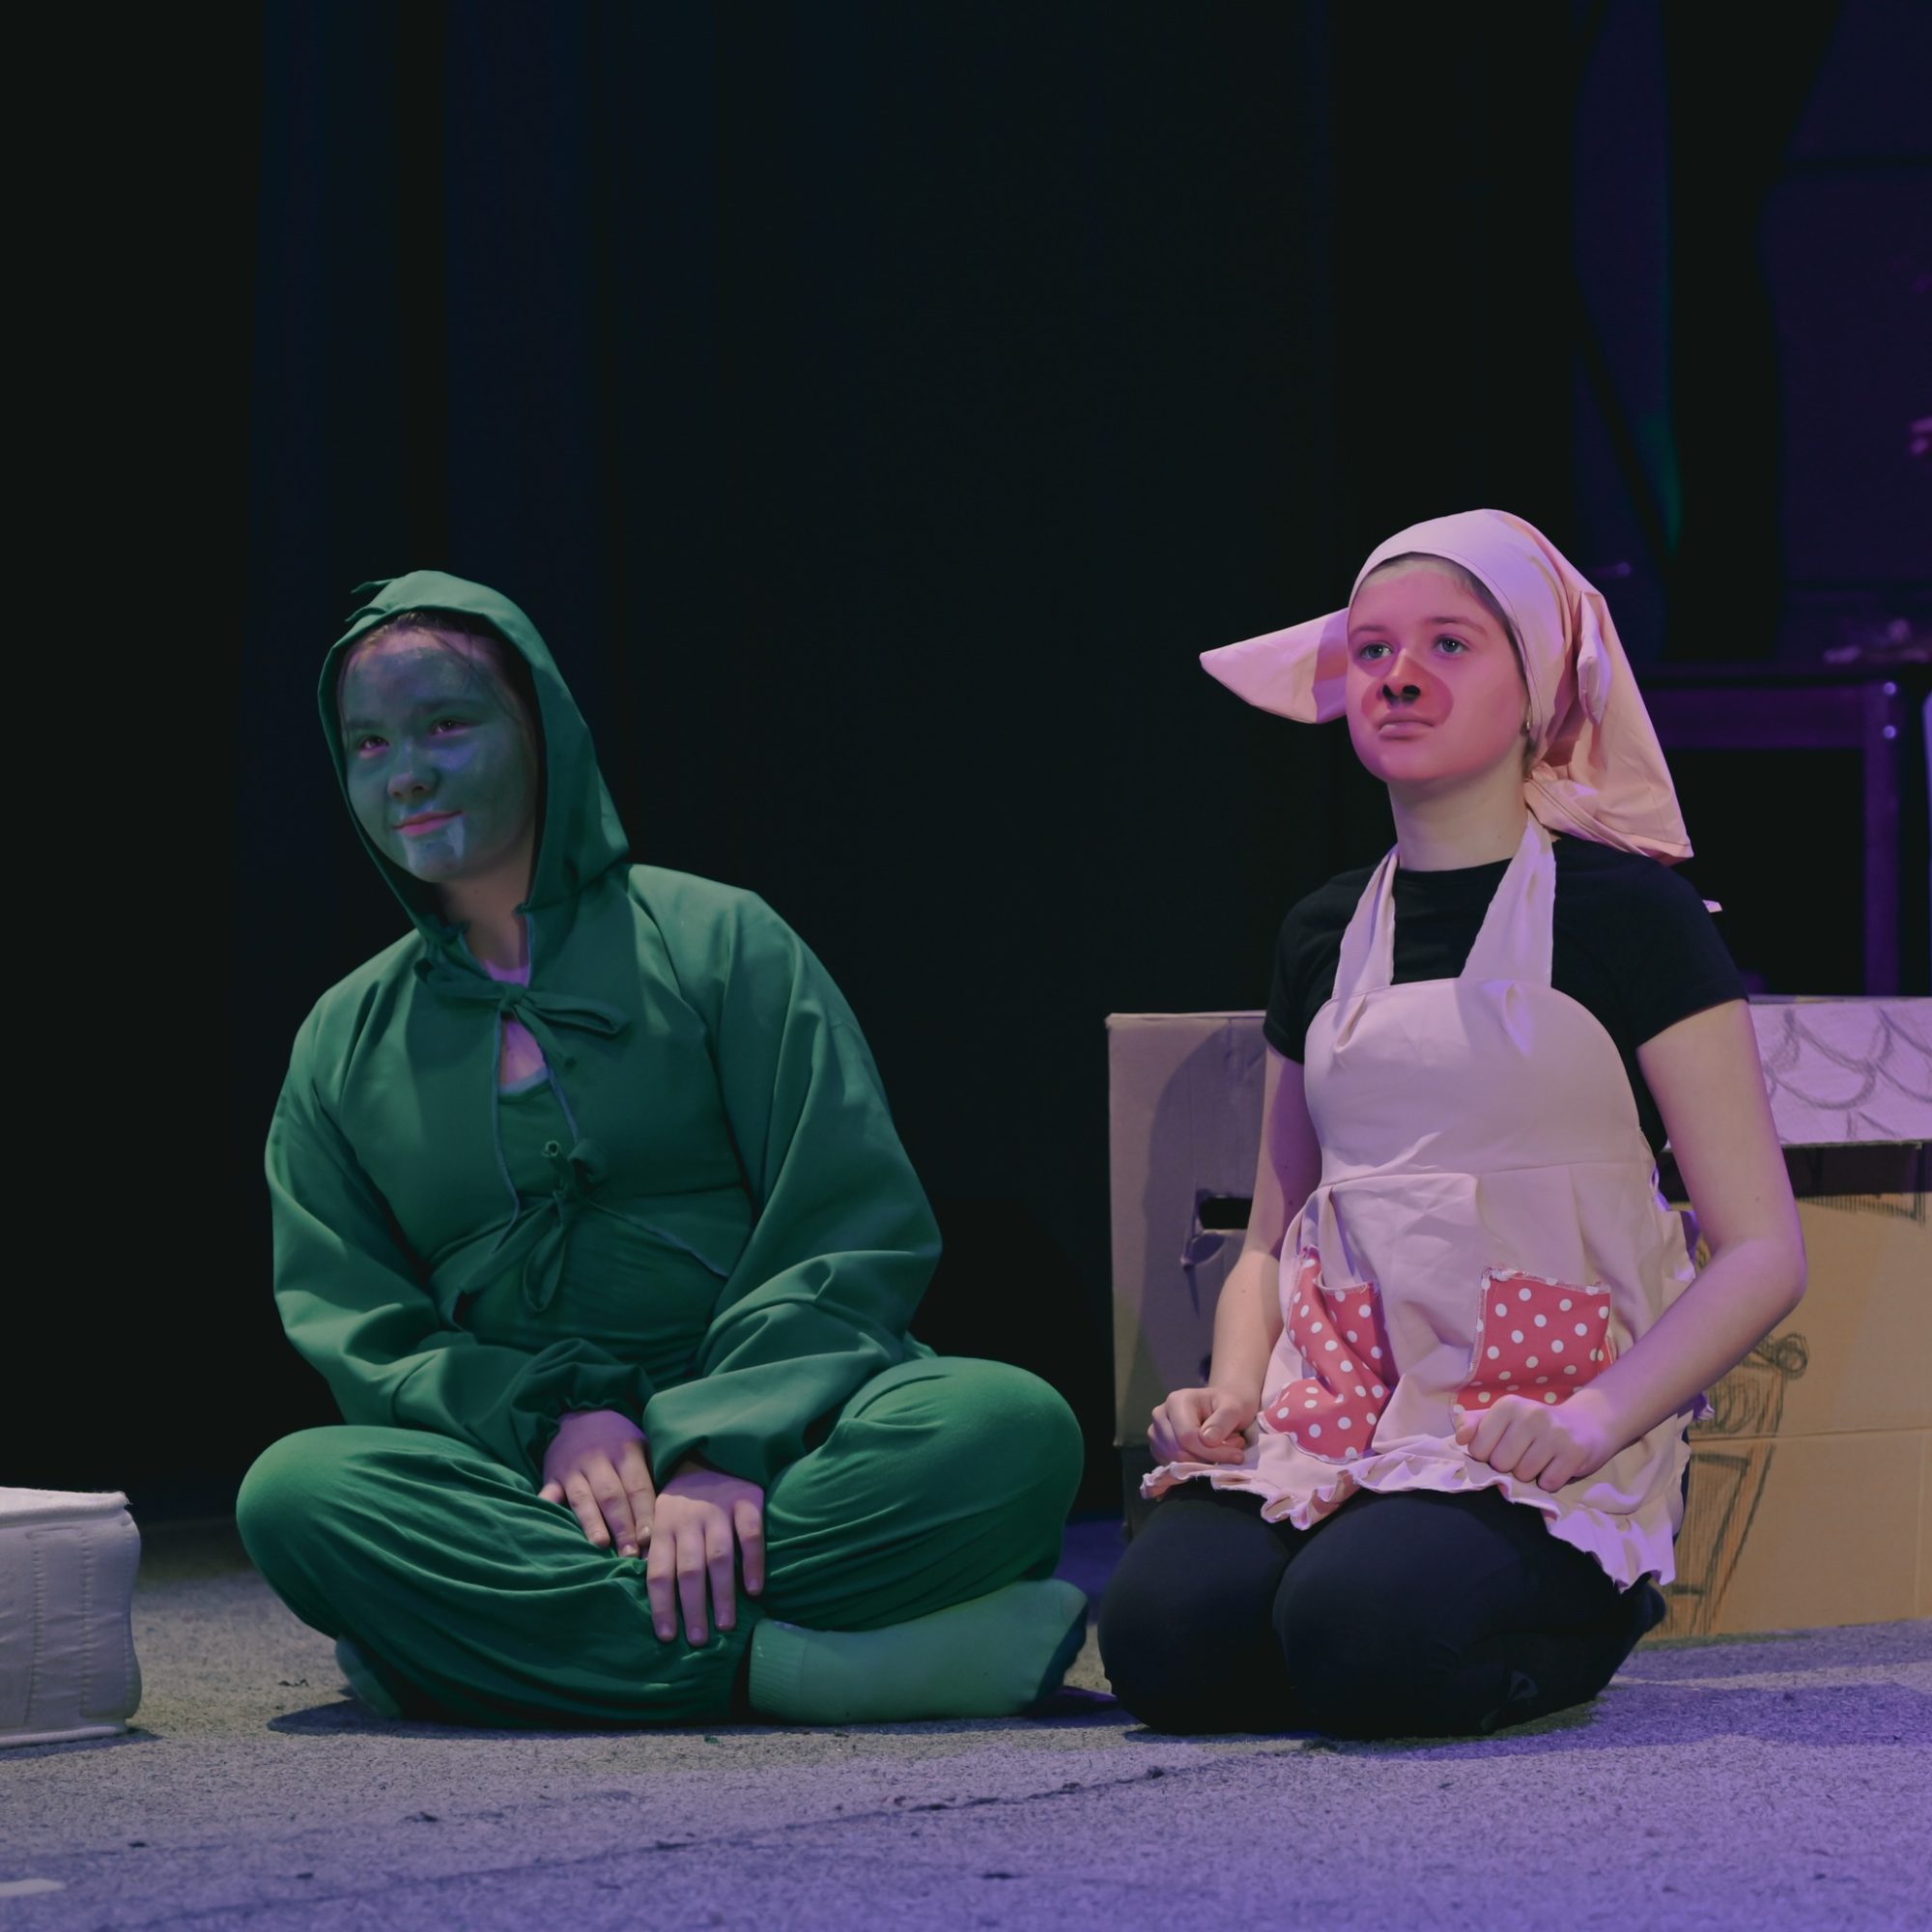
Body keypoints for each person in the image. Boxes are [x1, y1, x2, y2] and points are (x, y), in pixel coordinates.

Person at [237, 571, 1087, 1727]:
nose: (407, 773)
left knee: (1010, 1426)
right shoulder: (342, 1037)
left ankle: (484, 1650)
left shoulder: (719, 939)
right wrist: (553, 1419)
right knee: (296, 1495)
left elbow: (844, 1221)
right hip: (526, 1477)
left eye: (446, 724)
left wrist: (719, 1444)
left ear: (540, 729)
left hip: (788, 1436)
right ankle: (802, 1668)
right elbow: (358, 1320)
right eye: (369, 743)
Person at [1097, 510, 1805, 1739]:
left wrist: (1592, 1417)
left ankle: (1563, 1614)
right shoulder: (1321, 931)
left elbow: (1760, 1250)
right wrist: (1228, 1389)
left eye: (1448, 644)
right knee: (1159, 1640)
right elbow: (1271, 1234)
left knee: (1364, 1635)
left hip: (1538, 1419)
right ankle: (1361, 1603)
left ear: (1535, 685)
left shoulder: (1627, 916)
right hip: (1345, 1402)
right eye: (1372, 649)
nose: (1400, 675)